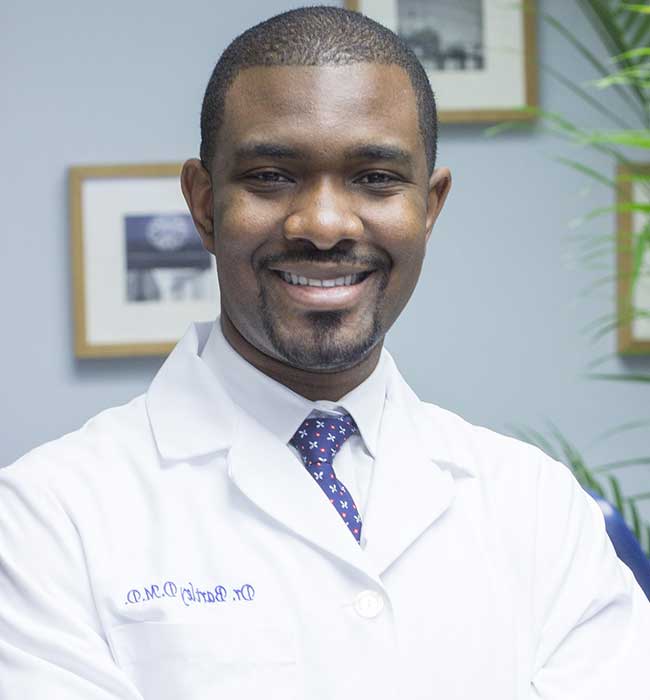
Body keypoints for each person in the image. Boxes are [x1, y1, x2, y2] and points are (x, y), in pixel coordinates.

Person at [1, 6, 648, 699]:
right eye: (271, 175)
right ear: (205, 204)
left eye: (376, 177)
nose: (324, 224)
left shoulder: (541, 507)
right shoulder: (45, 519)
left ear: (429, 207)